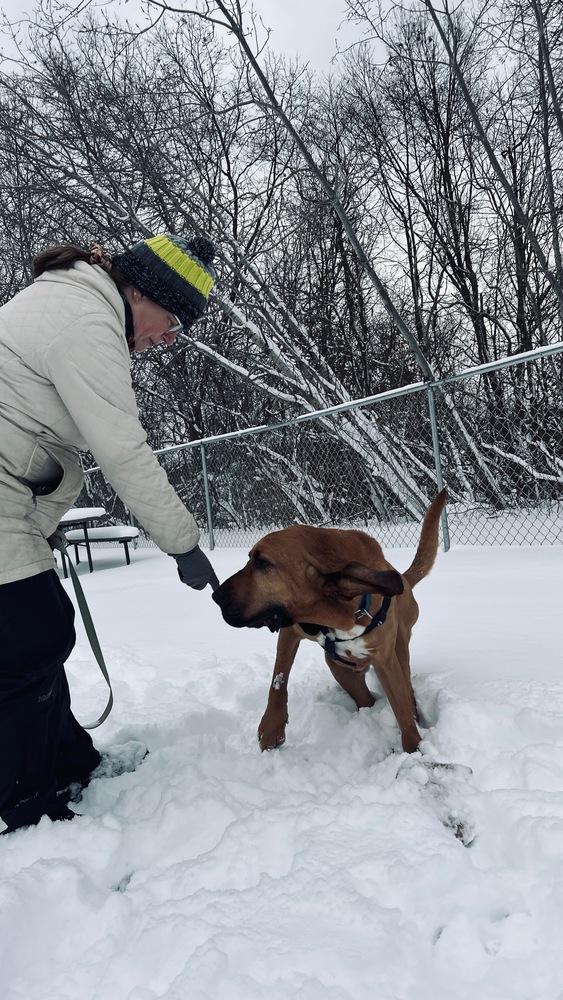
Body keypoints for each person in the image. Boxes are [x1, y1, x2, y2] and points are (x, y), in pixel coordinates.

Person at [0, 232, 220, 834]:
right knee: (30, 640)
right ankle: (22, 800)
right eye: (171, 319)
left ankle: (69, 761)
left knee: (35, 636)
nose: (169, 337)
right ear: (139, 292)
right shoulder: (86, 322)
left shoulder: (77, 302)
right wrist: (183, 543)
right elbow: (123, 451)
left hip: (13, 504)